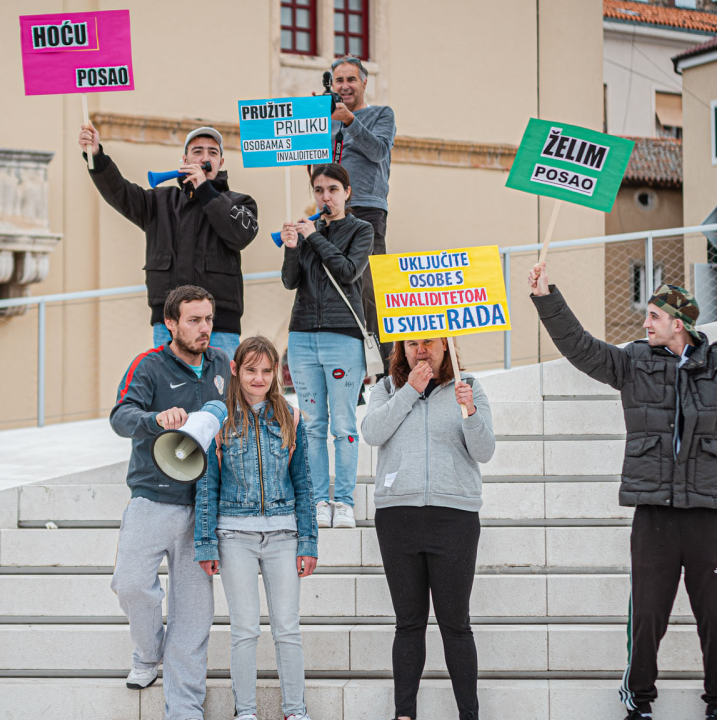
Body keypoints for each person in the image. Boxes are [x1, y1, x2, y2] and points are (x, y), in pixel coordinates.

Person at [527, 261, 717, 720]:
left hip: (707, 512)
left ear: (678, 324)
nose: (645, 322)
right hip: (654, 514)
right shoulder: (633, 362)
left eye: (654, 317)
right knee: (647, 617)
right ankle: (639, 700)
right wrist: (546, 297)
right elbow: (581, 349)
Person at [109, 285, 232, 720]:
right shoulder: (148, 365)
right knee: (130, 584)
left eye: (209, 319)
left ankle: (184, 710)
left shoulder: (222, 364)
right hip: (153, 497)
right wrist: (155, 420)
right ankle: (147, 653)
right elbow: (120, 417)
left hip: (204, 507)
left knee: (194, 617)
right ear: (171, 325)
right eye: (194, 320)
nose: (204, 329)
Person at [360, 337, 495, 720]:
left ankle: (469, 714)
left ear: (446, 345)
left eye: (430, 343)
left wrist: (469, 410)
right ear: (401, 350)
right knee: (408, 624)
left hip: (454, 518)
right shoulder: (386, 389)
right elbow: (372, 433)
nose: (421, 350)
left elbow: (484, 451)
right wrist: (410, 392)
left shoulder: (468, 387)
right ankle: (404, 714)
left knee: (456, 624)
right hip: (397, 517)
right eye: (412, 344)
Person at [194, 335, 317, 720]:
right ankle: (244, 711)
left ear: (276, 373)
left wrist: (308, 540)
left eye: (266, 371)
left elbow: (304, 484)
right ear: (235, 370)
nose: (259, 378)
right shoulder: (220, 419)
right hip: (234, 537)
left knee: (287, 629)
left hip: (283, 536)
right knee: (245, 629)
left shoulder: (291, 417)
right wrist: (206, 544)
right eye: (251, 370)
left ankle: (294, 710)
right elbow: (207, 484)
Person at [80, 122, 259, 360]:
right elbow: (120, 193)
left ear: (221, 163)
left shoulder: (240, 203)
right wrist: (96, 156)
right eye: (198, 151)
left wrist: (205, 190)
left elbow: (240, 235)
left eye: (212, 152)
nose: (205, 157)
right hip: (169, 326)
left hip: (219, 327)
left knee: (220, 394)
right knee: (172, 395)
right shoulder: (159, 202)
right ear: (184, 161)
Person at [280, 163, 373, 530]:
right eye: (318, 190)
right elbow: (290, 281)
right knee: (313, 425)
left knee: (344, 424)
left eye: (333, 189)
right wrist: (291, 248)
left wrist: (314, 237)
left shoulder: (360, 230)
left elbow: (348, 270)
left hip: (343, 335)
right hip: (302, 335)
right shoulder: (307, 233)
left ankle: (345, 502)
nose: (325, 197)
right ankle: (319, 500)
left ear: (347, 192)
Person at [328, 55, 396, 367]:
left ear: (364, 83)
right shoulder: (324, 120)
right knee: (334, 291)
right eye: (338, 80)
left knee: (371, 290)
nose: (344, 86)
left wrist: (350, 121)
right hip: (331, 213)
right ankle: (348, 372)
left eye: (351, 79)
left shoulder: (382, 114)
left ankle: (388, 370)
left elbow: (379, 150)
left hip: (367, 210)